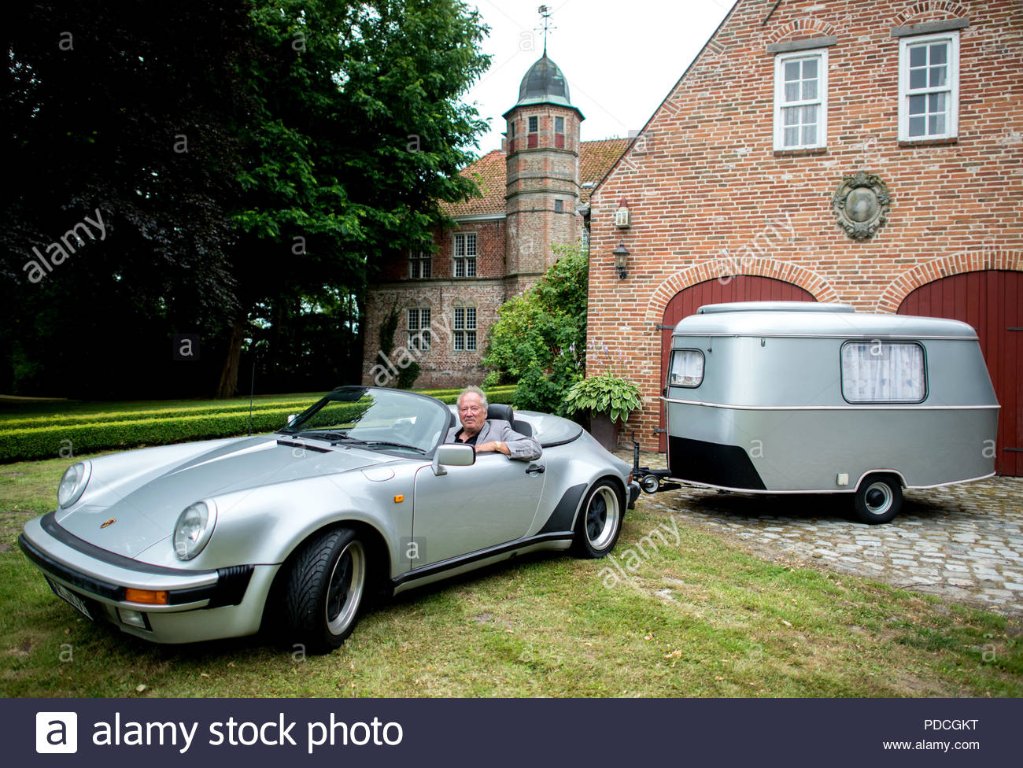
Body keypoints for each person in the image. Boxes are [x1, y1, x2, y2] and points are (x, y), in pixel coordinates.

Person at [447, 386, 542, 461]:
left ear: (485, 413)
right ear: (459, 413)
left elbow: (535, 448)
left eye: (474, 408)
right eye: (464, 409)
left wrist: (495, 445)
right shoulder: (448, 434)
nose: (468, 414)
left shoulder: (499, 429)